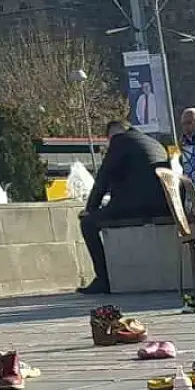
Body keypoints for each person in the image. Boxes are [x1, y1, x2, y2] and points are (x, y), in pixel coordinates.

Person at [78, 121, 171, 294]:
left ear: (112, 134)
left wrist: (90, 209)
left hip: (137, 206)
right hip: (163, 205)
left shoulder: (120, 140)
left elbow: (103, 179)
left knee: (88, 224)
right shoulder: (154, 143)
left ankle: (103, 279)